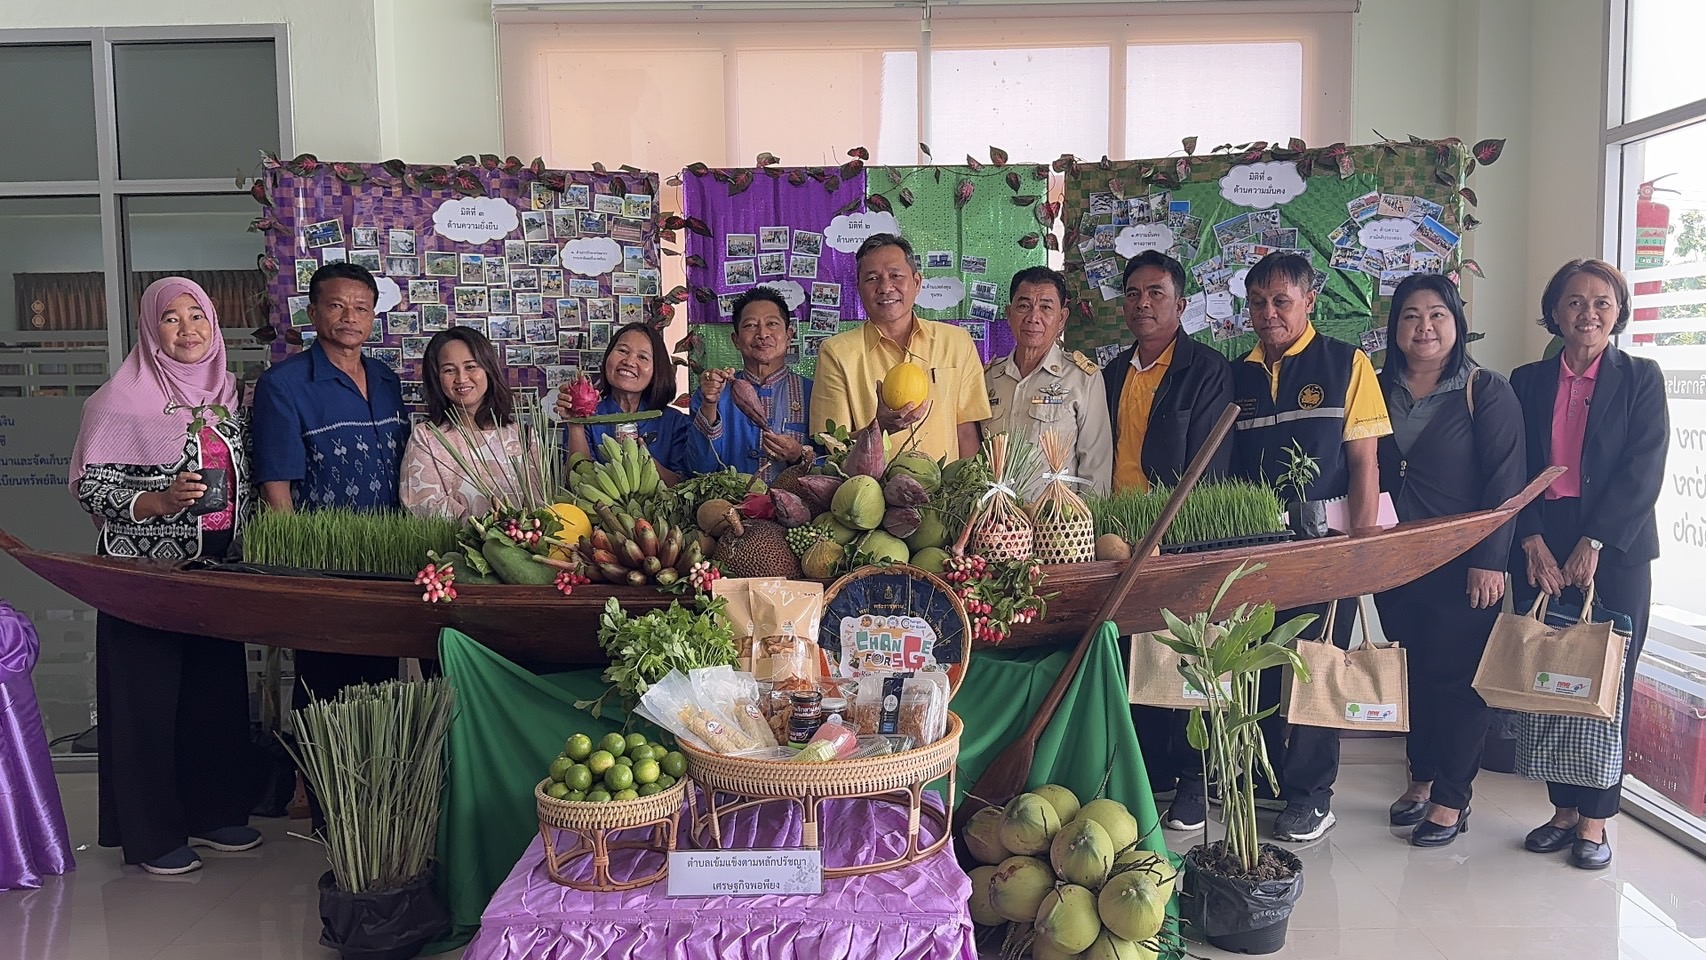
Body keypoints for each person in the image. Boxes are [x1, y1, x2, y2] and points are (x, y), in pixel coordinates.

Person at [69, 277, 260, 875]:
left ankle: (213, 811)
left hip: (216, 570)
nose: (187, 330)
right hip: (142, 575)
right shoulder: (116, 402)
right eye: (171, 319)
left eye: (197, 316)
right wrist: (157, 500)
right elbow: (89, 485)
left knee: (213, 692)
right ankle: (150, 835)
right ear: (151, 329)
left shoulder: (229, 395)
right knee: (146, 700)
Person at [1510, 259, 1667, 870]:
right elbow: (1511, 465)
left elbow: (1643, 469)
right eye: (1575, 302)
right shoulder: (1525, 381)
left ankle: (1596, 819)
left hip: (1617, 546)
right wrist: (1529, 539)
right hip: (1544, 537)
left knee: (1606, 681)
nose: (1589, 313)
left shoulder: (1641, 378)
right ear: (1555, 311)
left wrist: (1596, 541)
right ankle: (1564, 810)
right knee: (1552, 676)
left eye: (1603, 302)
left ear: (1619, 312)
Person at [1232, 252, 1392, 842]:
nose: (1268, 313)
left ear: (1309, 302)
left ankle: (1311, 794)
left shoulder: (1346, 363)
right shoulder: (1238, 373)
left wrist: (1362, 550)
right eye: (1257, 302)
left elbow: (1364, 461)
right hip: (1256, 553)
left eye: (1281, 301)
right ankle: (1267, 782)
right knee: (1263, 668)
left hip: (1327, 548)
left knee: (1318, 664)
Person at [1371, 274, 1525, 847]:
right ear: (1396, 328)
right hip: (1394, 561)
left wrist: (1491, 559)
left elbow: (1507, 482)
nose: (1424, 327)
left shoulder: (1485, 390)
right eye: (1411, 316)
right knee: (1414, 673)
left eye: (1437, 314)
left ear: (1456, 323)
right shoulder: (1377, 387)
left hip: (1464, 566)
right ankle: (1423, 777)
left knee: (1458, 680)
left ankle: (1452, 798)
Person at [1102, 250, 1235, 833]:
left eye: (1156, 293)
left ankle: (1193, 782)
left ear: (1181, 305)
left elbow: (1209, 465)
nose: (1143, 303)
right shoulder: (1111, 372)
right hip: (1114, 536)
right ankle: (1148, 771)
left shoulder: (1205, 369)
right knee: (1134, 655)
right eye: (1133, 293)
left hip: (1174, 535)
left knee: (1185, 654)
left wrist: (1168, 537)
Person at [251, 263, 409, 716]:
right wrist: (297, 570)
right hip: (324, 566)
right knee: (325, 690)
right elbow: (275, 485)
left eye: (361, 308)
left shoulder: (386, 380)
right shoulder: (283, 385)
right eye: (336, 306)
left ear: (373, 316)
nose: (349, 317)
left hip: (389, 560)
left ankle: (378, 784)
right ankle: (316, 784)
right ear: (313, 313)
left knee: (382, 688)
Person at [809, 233, 990, 460]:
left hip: (947, 491)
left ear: (916, 282)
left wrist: (968, 493)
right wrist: (879, 427)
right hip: (872, 493)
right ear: (859, 288)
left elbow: (966, 433)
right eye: (872, 278)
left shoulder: (957, 342)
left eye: (895, 275)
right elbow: (833, 446)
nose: (885, 287)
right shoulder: (836, 353)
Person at [980, 266, 1112, 495]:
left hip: (1056, 521)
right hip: (995, 521)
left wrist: (1082, 525)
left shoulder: (1082, 379)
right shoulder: (987, 378)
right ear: (1009, 314)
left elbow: (1096, 468)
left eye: (1046, 308)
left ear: (1061, 318)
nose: (1033, 317)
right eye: (1024, 306)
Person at [555, 322, 709, 483]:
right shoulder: (589, 418)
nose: (629, 361)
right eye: (622, 351)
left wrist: (645, 462)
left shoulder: (675, 422)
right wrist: (575, 423)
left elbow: (684, 485)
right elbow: (580, 480)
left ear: (656, 370)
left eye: (642, 357)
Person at [400, 327, 523, 521]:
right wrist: (488, 531)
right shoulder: (426, 437)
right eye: (449, 370)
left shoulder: (523, 436)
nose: (462, 378)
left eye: (471, 366)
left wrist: (516, 533)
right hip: (453, 549)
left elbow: (541, 504)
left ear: (488, 369)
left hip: (523, 547)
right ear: (436, 378)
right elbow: (423, 506)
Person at [692, 287, 814, 481]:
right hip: (727, 507)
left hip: (796, 509)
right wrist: (709, 405)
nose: (762, 334)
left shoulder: (813, 393)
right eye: (750, 325)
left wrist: (799, 454)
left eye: (772, 324)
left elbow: (831, 463)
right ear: (736, 340)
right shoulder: (712, 393)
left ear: (789, 335)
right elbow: (697, 468)